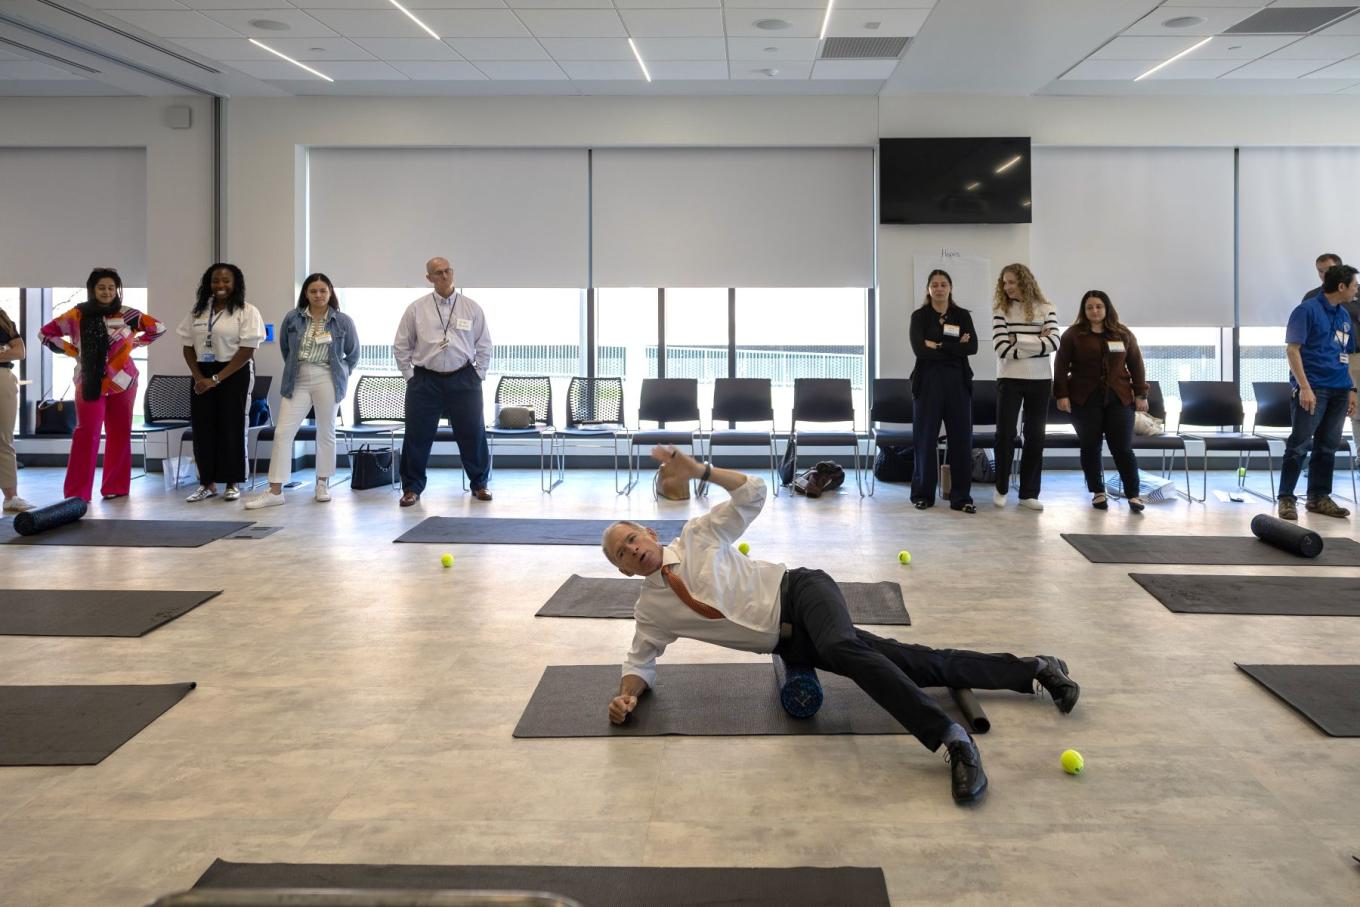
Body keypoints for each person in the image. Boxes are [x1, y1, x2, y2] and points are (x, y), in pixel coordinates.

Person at [601, 446, 1081, 805]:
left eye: (630, 539)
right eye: (620, 554)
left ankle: (952, 740)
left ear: (649, 532)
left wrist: (701, 471)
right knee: (919, 664)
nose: (631, 550)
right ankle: (1034, 669)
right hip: (795, 646)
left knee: (846, 652)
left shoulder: (698, 535)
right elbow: (639, 661)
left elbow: (753, 492)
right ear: (623, 570)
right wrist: (627, 696)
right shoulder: (651, 611)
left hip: (803, 593)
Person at [39, 268, 165, 502]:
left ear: (116, 290)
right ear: (92, 290)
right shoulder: (77, 315)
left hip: (124, 382)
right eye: (101, 287)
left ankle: (115, 486)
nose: (106, 292)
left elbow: (158, 328)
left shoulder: (128, 314)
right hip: (89, 379)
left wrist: (134, 344)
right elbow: (45, 333)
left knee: (119, 433)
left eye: (111, 287)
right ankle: (77, 493)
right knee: (87, 433)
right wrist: (73, 350)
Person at [245, 273, 359, 510]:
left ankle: (322, 483)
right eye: (313, 291)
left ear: (330, 293)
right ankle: (275, 490)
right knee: (283, 433)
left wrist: (341, 371)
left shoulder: (342, 321)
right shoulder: (293, 318)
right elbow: (286, 350)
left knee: (326, 431)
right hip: (298, 378)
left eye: (323, 291)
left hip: (328, 377)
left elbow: (353, 353)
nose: (318, 295)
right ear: (306, 293)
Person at [393, 256, 492, 507]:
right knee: (417, 435)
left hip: (464, 378)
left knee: (473, 432)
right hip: (425, 381)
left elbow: (484, 344)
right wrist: (410, 376)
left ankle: (479, 483)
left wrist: (478, 373)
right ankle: (412, 488)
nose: (444, 276)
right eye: (438, 273)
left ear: (453, 273)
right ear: (429, 278)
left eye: (447, 271)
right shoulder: (416, 309)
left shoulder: (471, 307)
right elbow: (401, 345)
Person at [1053, 291, 1148, 512]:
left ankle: (1133, 494)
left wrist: (1141, 394)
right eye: (1089, 307)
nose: (1094, 311)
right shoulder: (1073, 335)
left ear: (1106, 308)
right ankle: (1098, 492)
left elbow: (1136, 364)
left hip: (1120, 398)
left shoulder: (1123, 334)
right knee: (1090, 447)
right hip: (1084, 400)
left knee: (1122, 448)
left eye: (1098, 306)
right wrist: (1062, 395)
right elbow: (1060, 366)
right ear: (1083, 311)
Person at [1277, 264, 1358, 520]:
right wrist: (1304, 387)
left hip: (1339, 389)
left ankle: (1318, 497)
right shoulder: (1306, 311)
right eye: (1354, 285)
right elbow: (1292, 350)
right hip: (1313, 389)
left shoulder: (1343, 315)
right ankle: (1286, 499)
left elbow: (1346, 354)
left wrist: (1352, 389)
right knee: (1299, 445)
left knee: (1328, 447)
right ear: (1341, 286)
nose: (1357, 289)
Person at [177, 262, 264, 503]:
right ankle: (207, 483)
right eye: (216, 280)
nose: (220, 285)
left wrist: (216, 379)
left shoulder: (247, 311)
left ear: (235, 283)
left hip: (234, 372)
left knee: (231, 426)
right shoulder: (198, 312)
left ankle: (232, 482)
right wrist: (199, 378)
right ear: (209, 284)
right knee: (203, 428)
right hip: (201, 374)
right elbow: (187, 347)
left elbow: (247, 350)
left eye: (226, 280)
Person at [908, 269, 978, 512]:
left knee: (961, 439)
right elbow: (920, 350)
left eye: (944, 284)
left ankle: (961, 498)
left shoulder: (961, 315)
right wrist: (954, 346)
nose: (939, 288)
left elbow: (973, 347)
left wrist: (937, 344)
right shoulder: (919, 316)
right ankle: (923, 495)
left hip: (958, 382)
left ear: (950, 288)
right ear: (928, 289)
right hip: (927, 382)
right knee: (925, 438)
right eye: (935, 284)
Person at [991, 263, 1059, 511]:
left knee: (1035, 436)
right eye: (1004, 283)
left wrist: (1017, 340)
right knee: (1005, 434)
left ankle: (1028, 493)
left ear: (1025, 281)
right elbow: (1001, 348)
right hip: (1009, 379)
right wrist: (1036, 341)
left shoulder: (1046, 308)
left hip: (1041, 380)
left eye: (1012, 282)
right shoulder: (1001, 311)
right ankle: (1001, 488)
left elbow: (1053, 343)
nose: (1007, 287)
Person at [0, 305, 33, 513]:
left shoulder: (2, 319)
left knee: (4, 439)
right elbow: (10, 351)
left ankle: (11, 498)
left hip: (2, 379)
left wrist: (7, 351)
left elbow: (19, 352)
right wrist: (3, 351)